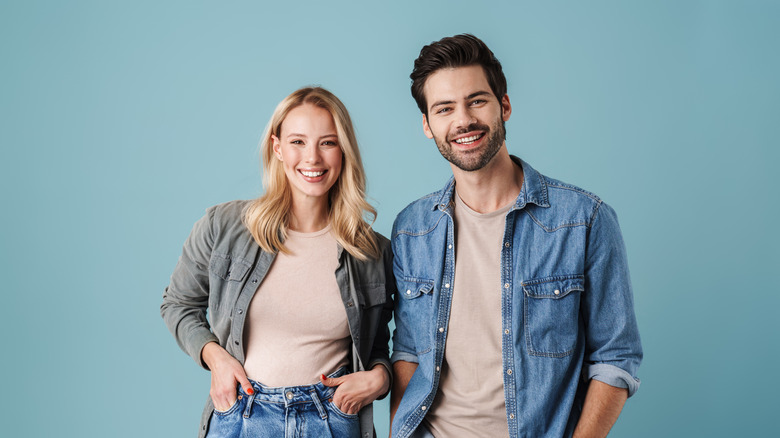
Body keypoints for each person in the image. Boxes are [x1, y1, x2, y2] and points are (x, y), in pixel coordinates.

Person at [389, 34, 642, 438]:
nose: (463, 120)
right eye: (444, 108)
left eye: (477, 100)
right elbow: (407, 352)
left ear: (503, 105)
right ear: (427, 125)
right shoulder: (412, 229)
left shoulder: (584, 220)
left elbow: (616, 358)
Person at [161, 86, 395, 438]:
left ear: (344, 151)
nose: (313, 158)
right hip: (242, 414)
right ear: (278, 148)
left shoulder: (372, 252)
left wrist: (381, 377)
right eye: (298, 142)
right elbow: (178, 304)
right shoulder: (224, 226)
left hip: (331, 419)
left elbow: (378, 347)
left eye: (328, 142)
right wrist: (216, 358)